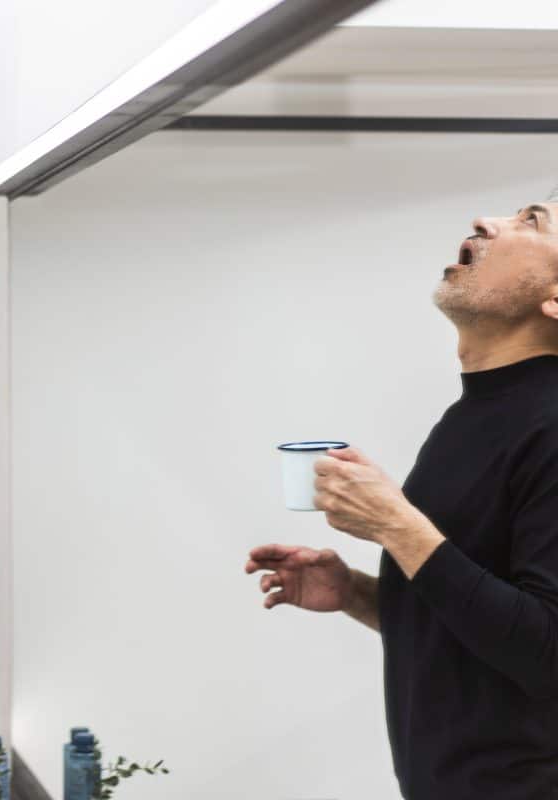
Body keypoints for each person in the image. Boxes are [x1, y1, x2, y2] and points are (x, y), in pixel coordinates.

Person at [246, 196, 558, 799]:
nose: (485, 221)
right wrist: (363, 596)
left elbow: (546, 654)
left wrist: (395, 525)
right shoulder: (472, 415)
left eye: (532, 221)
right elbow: (485, 630)